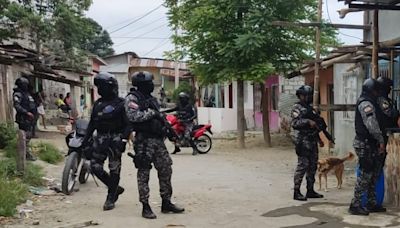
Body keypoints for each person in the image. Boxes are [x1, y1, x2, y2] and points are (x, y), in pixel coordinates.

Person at [125, 71, 184, 219]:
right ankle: (145, 206)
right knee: (144, 173)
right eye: (150, 83)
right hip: (143, 141)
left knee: (166, 169)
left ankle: (166, 202)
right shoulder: (132, 99)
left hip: (157, 140)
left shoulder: (152, 99)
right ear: (143, 85)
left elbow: (160, 118)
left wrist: (170, 133)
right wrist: (153, 113)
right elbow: (134, 117)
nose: (152, 85)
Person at [82, 72, 129, 211]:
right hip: (100, 138)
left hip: (116, 139)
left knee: (114, 169)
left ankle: (110, 197)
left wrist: (124, 139)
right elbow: (92, 123)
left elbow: (128, 124)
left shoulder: (121, 103)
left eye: (102, 86)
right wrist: (86, 139)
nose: (100, 90)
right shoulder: (98, 103)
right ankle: (114, 188)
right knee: (94, 167)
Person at [349, 78, 386, 216]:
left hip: (370, 144)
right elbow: (372, 125)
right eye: (376, 91)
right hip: (365, 144)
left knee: (373, 175)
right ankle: (355, 204)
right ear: (372, 90)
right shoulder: (366, 103)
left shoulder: (370, 101)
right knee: (365, 174)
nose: (378, 94)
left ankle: (371, 203)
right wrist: (380, 140)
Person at [291, 85, 324, 201]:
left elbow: (316, 125)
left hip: (312, 140)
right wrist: (307, 121)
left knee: (313, 166)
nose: (308, 97)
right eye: (306, 95)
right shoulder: (297, 107)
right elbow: (295, 123)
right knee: (302, 166)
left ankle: (310, 190)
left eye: (309, 95)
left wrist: (319, 139)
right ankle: (296, 191)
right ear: (301, 95)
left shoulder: (310, 108)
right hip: (302, 141)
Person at [13, 77, 37, 168]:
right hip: (23, 118)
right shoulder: (18, 94)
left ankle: (25, 153)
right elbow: (17, 106)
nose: (26, 86)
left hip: (29, 118)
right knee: (24, 137)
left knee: (28, 136)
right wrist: (26, 112)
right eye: (24, 85)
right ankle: (24, 155)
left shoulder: (26, 93)